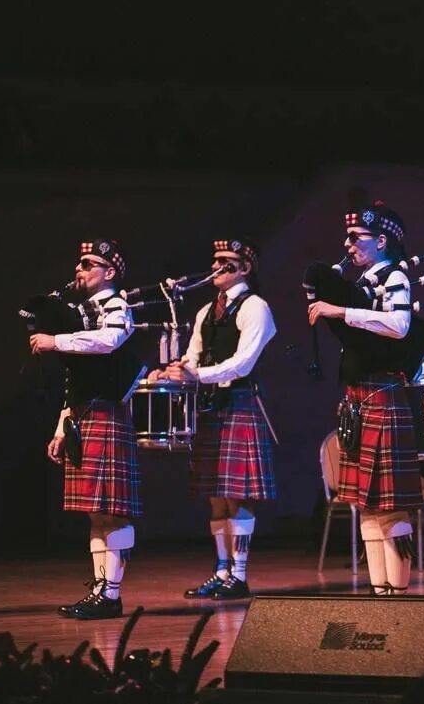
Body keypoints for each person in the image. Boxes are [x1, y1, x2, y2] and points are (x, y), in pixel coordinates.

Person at [308, 202, 424, 596]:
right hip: (359, 397)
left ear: (381, 240)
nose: (349, 244)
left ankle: (400, 593)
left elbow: (400, 325)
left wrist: (342, 311)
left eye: (357, 238)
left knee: (390, 504)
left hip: (384, 393)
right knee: (365, 502)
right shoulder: (360, 285)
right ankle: (381, 591)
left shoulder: (395, 276)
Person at [155, 238, 277, 601]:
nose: (215, 267)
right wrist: (177, 370)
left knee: (237, 495)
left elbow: (243, 363)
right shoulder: (206, 310)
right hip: (211, 406)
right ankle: (221, 570)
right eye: (214, 260)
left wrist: (197, 376)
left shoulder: (256, 307)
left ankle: (238, 575)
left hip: (240, 402)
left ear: (244, 268)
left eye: (225, 261)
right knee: (215, 495)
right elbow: (195, 355)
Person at [33, 239, 142, 619]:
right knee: (96, 512)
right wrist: (62, 425)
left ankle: (111, 593)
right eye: (78, 263)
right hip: (84, 415)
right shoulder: (81, 312)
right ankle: (101, 590)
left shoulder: (117, 307)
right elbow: (74, 378)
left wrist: (56, 341)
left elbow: (110, 341)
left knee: (113, 511)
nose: (79, 270)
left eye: (88, 263)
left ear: (109, 272)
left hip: (107, 414)